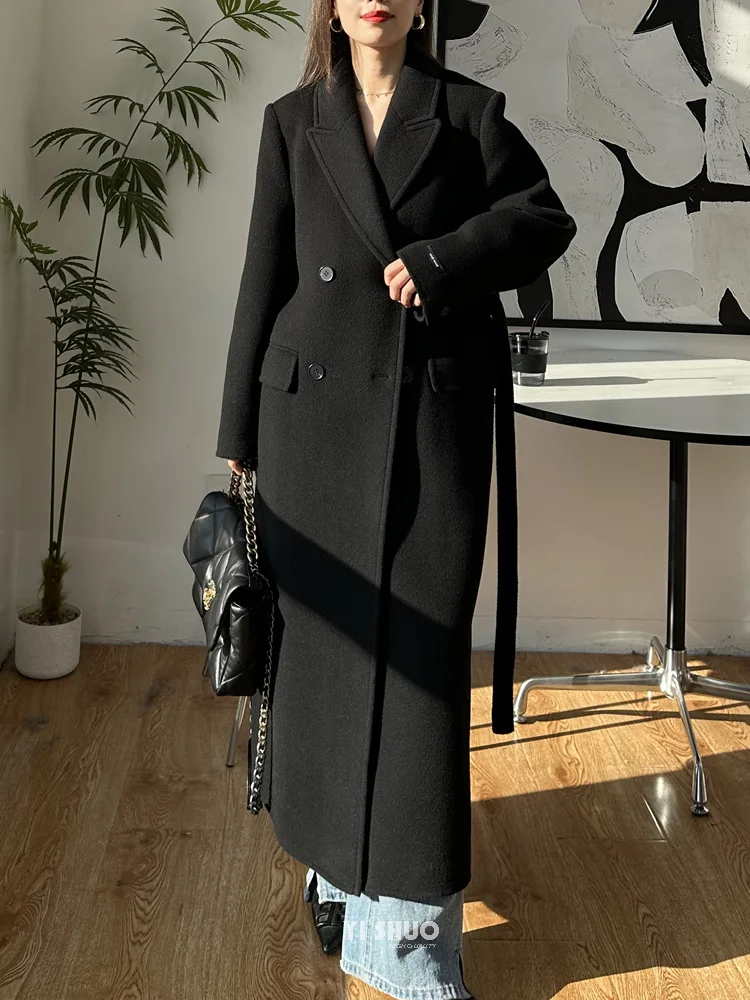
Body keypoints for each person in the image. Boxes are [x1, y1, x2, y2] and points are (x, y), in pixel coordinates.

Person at [216, 0, 577, 996]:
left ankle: (410, 939)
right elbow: (262, 277)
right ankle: (332, 870)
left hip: (429, 428)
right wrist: (236, 436)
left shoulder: (469, 113)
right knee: (321, 665)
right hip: (308, 429)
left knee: (420, 670)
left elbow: (544, 219)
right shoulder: (292, 122)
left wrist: (441, 261)